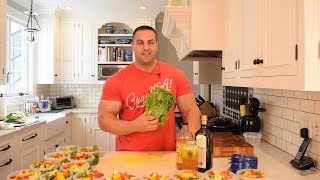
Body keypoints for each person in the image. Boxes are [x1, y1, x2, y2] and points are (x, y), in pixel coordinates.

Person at [98, 25, 200, 151]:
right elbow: (104, 120)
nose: (146, 47)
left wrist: (188, 139)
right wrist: (135, 125)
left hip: (166, 154)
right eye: (140, 43)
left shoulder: (176, 75)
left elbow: (191, 110)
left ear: (156, 46)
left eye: (150, 42)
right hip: (129, 156)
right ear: (133, 46)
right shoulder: (116, 81)